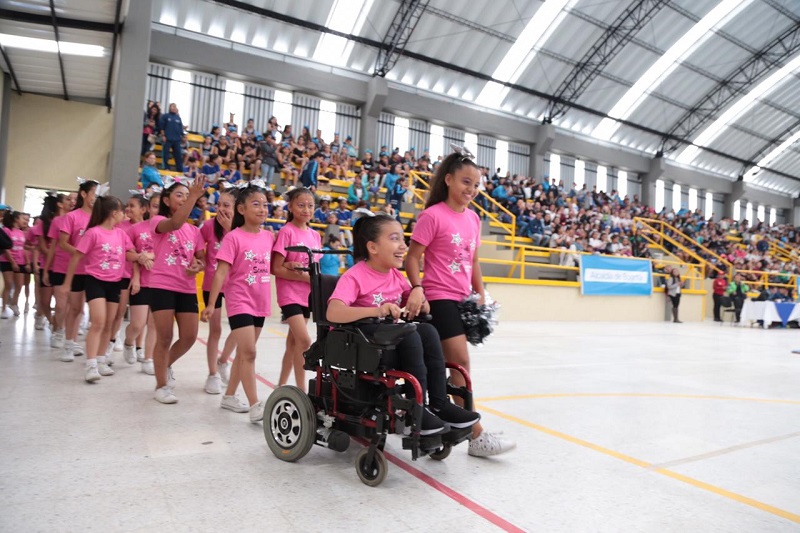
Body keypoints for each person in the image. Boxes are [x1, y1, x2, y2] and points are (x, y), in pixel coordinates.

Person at [404, 148, 516, 457]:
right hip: (439, 298)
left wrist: (480, 291)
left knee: (444, 366)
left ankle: (446, 423)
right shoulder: (433, 215)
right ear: (449, 180)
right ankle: (475, 435)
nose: (471, 190)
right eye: (466, 182)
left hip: (463, 301)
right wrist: (418, 288)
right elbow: (413, 257)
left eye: (476, 185)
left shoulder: (473, 219)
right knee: (461, 363)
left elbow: (474, 260)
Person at [327, 215, 481, 435]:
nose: (403, 245)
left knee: (427, 330)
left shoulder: (395, 276)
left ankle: (439, 403)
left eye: (403, 239)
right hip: (360, 343)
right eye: (394, 238)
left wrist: (422, 301)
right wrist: (377, 310)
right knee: (410, 333)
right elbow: (333, 311)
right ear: (373, 247)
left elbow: (415, 300)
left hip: (389, 341)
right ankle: (414, 410)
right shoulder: (355, 276)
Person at [202, 184, 273, 423]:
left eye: (265, 204)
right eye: (256, 204)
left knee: (245, 354)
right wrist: (211, 304)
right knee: (249, 352)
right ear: (241, 209)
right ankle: (255, 405)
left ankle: (229, 396)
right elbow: (220, 273)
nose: (262, 209)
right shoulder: (233, 238)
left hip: (260, 301)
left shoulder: (268, 236)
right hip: (239, 300)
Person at [63, 194, 136, 382]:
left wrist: (142, 256)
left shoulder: (121, 233)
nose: (124, 214)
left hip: (115, 282)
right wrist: (66, 283)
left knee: (110, 323)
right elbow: (76, 258)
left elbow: (129, 254)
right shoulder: (93, 233)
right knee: (98, 322)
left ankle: (102, 359)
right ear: (113, 213)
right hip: (95, 281)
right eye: (121, 211)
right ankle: (91, 364)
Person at [148, 178, 206, 403]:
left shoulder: (194, 230)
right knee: (164, 336)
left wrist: (198, 266)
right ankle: (161, 385)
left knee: (189, 336)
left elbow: (201, 258)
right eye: (179, 195)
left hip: (186, 287)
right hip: (162, 285)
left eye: (186, 195)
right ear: (166, 200)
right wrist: (193, 196)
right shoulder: (159, 220)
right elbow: (174, 224)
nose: (183, 198)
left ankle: (164, 365)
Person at [271, 187, 321, 392]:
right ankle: (301, 391)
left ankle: (281, 385)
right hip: (289, 295)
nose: (306, 209)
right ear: (290, 207)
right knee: (304, 341)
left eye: (310, 205)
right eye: (301, 205)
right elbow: (276, 268)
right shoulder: (286, 232)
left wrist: (311, 280)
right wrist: (304, 277)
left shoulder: (315, 235)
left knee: (292, 344)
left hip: (306, 296)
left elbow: (314, 268)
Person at [54, 180, 98, 362]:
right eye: (94, 193)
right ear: (84, 194)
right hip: (77, 270)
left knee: (91, 312)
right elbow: (63, 243)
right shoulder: (72, 217)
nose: (96, 197)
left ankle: (92, 350)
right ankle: (69, 343)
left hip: (95, 271)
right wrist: (81, 253)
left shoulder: (99, 218)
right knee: (75, 308)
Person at [199, 188, 237, 394]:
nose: (221, 209)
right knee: (216, 330)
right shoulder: (207, 226)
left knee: (240, 331)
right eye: (219, 204)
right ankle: (212, 374)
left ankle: (223, 361)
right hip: (212, 284)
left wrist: (230, 228)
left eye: (226, 205)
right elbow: (196, 247)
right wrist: (200, 260)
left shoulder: (240, 229)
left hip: (236, 285)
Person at [124, 193, 160, 375]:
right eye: (154, 206)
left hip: (161, 283)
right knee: (137, 324)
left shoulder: (171, 231)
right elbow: (128, 254)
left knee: (154, 325)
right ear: (147, 208)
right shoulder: (136, 229)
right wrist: (139, 259)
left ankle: (148, 359)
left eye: (160, 206)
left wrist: (152, 255)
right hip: (142, 281)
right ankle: (129, 342)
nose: (157, 210)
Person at [42, 194, 74, 348]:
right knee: (61, 304)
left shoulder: (83, 218)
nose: (71, 202)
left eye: (73, 199)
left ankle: (66, 332)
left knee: (72, 305)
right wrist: (47, 269)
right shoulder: (57, 221)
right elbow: (53, 246)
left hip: (77, 269)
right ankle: (58, 330)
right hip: (60, 267)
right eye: (68, 199)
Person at [1, 211, 27, 318]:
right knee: (8, 284)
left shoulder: (21, 232)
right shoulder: (6, 230)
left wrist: (27, 262)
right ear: (16, 219)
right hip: (7, 261)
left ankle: (14, 303)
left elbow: (23, 248)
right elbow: (5, 247)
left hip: (20, 261)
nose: (24, 221)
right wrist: (12, 262)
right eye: (22, 218)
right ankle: (3, 309)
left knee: (19, 285)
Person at [158, 103, 185, 172]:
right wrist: (163, 135)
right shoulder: (165, 116)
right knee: (166, 154)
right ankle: (166, 168)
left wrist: (183, 136)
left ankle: (180, 169)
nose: (173, 108)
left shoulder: (178, 118)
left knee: (178, 155)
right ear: (169, 108)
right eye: (172, 106)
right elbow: (161, 127)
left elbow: (181, 128)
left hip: (177, 140)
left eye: (175, 106)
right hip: (168, 139)